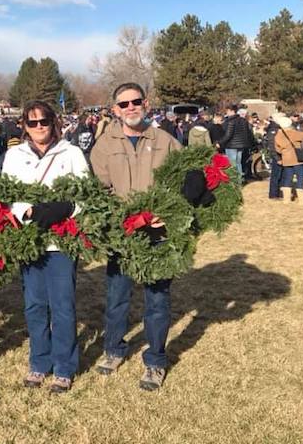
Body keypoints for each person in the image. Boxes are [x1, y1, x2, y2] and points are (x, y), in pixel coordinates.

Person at [90, 83, 183, 391]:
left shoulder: (166, 141)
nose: (130, 107)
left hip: (158, 234)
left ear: (146, 103)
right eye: (123, 103)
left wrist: (165, 215)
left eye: (136, 101)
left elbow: (180, 186)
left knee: (157, 299)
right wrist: (116, 219)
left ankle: (155, 360)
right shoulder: (104, 144)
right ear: (115, 109)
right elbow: (99, 191)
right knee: (117, 295)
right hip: (122, 234)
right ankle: (114, 349)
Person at [2, 101, 88, 393]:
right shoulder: (14, 155)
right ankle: (39, 363)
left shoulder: (72, 153)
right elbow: (7, 194)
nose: (39, 127)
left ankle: (64, 366)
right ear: (24, 126)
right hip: (29, 239)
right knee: (35, 305)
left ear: (54, 122)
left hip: (61, 241)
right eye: (32, 122)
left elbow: (86, 195)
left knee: (62, 305)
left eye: (44, 122)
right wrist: (26, 212)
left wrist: (67, 209)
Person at [274, 114, 303, 204]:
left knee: (288, 178)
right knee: (300, 178)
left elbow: (277, 149)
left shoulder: (278, 135)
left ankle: (286, 200)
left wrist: (284, 151)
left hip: (286, 159)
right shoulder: (293, 133)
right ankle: (301, 201)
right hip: (297, 159)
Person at [218, 105, 253, 182]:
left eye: (227, 111)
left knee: (232, 164)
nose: (226, 113)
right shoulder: (243, 121)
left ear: (231, 111)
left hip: (231, 145)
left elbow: (228, 135)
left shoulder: (230, 121)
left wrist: (219, 142)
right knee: (238, 163)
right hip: (241, 145)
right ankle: (239, 180)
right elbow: (248, 133)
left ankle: (233, 180)